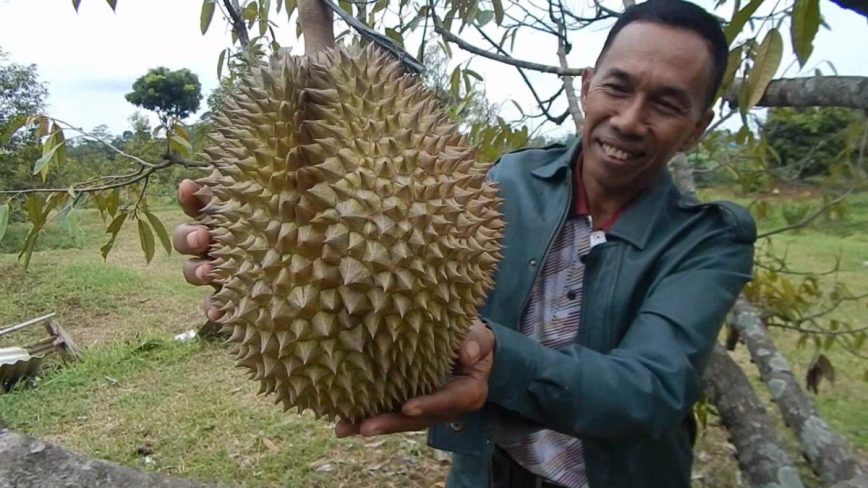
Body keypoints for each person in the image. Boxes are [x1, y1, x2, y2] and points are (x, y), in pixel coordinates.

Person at [174, 1, 756, 486]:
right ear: (586, 85)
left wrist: (493, 359)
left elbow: (651, 391)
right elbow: (402, 280)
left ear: (699, 126)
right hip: (488, 474)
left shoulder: (709, 237)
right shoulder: (505, 183)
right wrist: (260, 270)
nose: (630, 119)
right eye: (617, 87)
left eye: (666, 103)